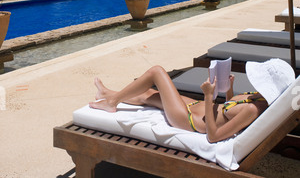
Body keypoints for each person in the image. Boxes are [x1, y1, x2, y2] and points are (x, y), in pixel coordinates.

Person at [89, 58, 295, 143]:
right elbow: (228, 109)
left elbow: (213, 137)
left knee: (157, 72)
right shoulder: (258, 97)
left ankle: (112, 101)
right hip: (197, 107)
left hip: (187, 120)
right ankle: (108, 95)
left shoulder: (253, 110)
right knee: (150, 95)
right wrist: (229, 89)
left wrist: (207, 96)